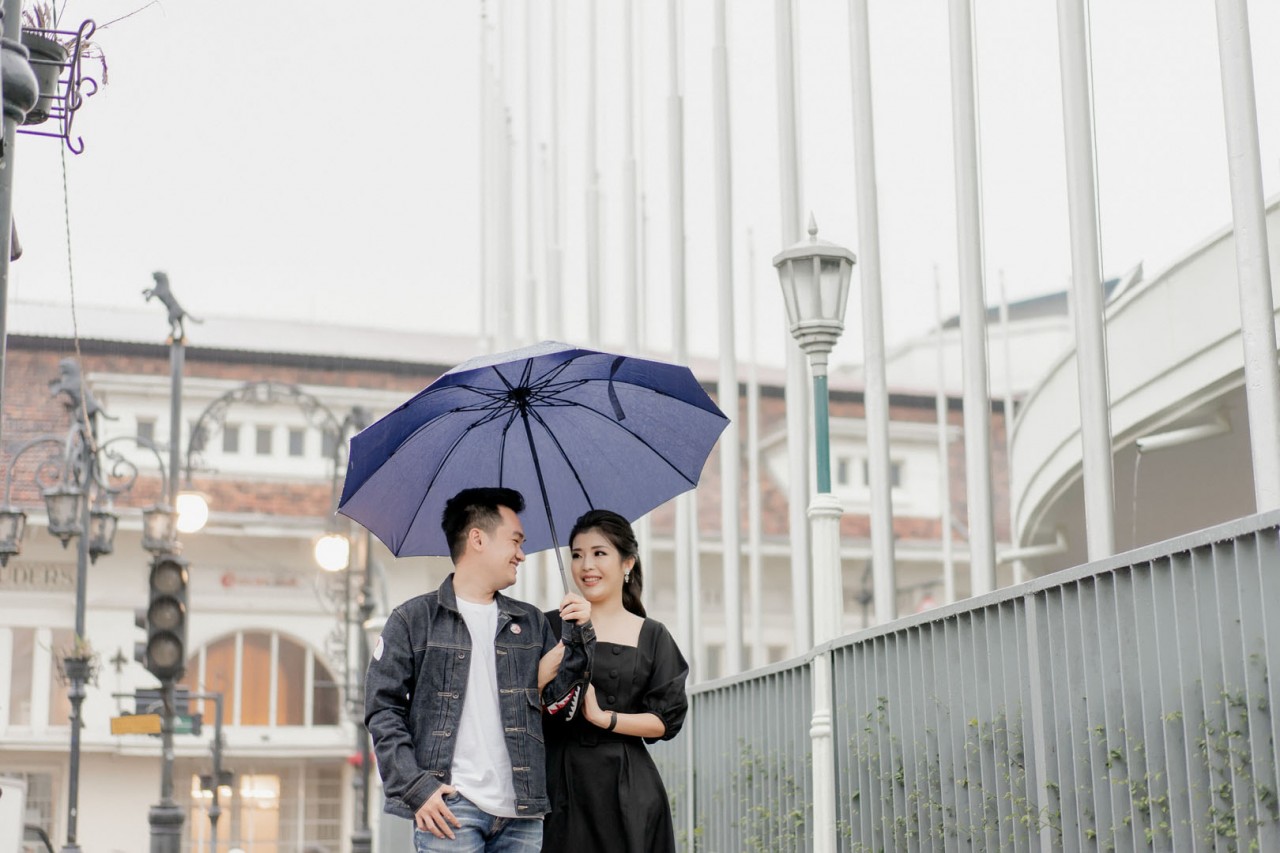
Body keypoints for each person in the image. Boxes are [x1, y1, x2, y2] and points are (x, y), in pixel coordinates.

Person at [365, 487, 595, 852]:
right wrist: (416, 789)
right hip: (450, 807)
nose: (521, 554)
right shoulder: (414, 620)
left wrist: (579, 638)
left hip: (522, 812)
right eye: (515, 541)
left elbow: (558, 707)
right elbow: (383, 709)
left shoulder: (531, 622)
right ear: (477, 539)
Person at [541, 509, 689, 852]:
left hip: (625, 789)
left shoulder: (652, 634)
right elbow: (515, 702)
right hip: (556, 785)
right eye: (577, 555)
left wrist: (603, 717)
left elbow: (664, 721)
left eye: (599, 553)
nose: (586, 565)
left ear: (627, 563)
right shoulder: (547, 626)